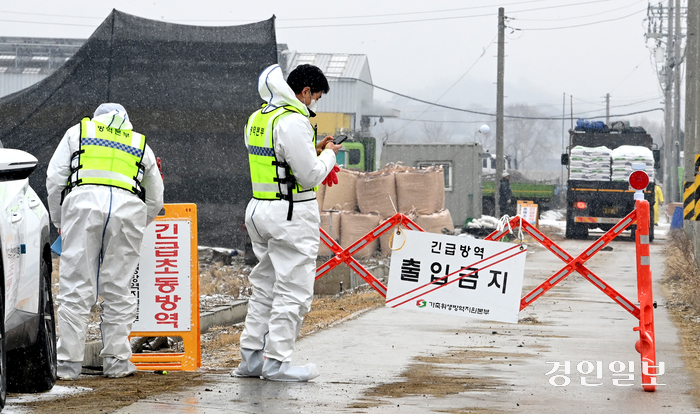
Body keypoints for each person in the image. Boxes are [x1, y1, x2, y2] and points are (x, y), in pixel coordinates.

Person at [232, 63, 341, 382]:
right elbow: (309, 175)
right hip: (291, 214)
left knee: (265, 287)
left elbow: (275, 160)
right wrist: (329, 154)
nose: (314, 105)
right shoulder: (294, 121)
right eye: (315, 98)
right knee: (294, 289)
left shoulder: (259, 118)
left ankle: (251, 359)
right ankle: (277, 363)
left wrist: (314, 150)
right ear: (305, 92)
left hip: (260, 209)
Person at [46, 103, 164, 380]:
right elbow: (156, 197)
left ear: (97, 118)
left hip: (83, 204)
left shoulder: (79, 132)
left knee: (76, 286)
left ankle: (68, 364)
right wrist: (139, 221)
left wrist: (60, 220)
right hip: (128, 209)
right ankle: (117, 362)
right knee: (118, 288)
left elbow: (55, 178)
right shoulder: (140, 144)